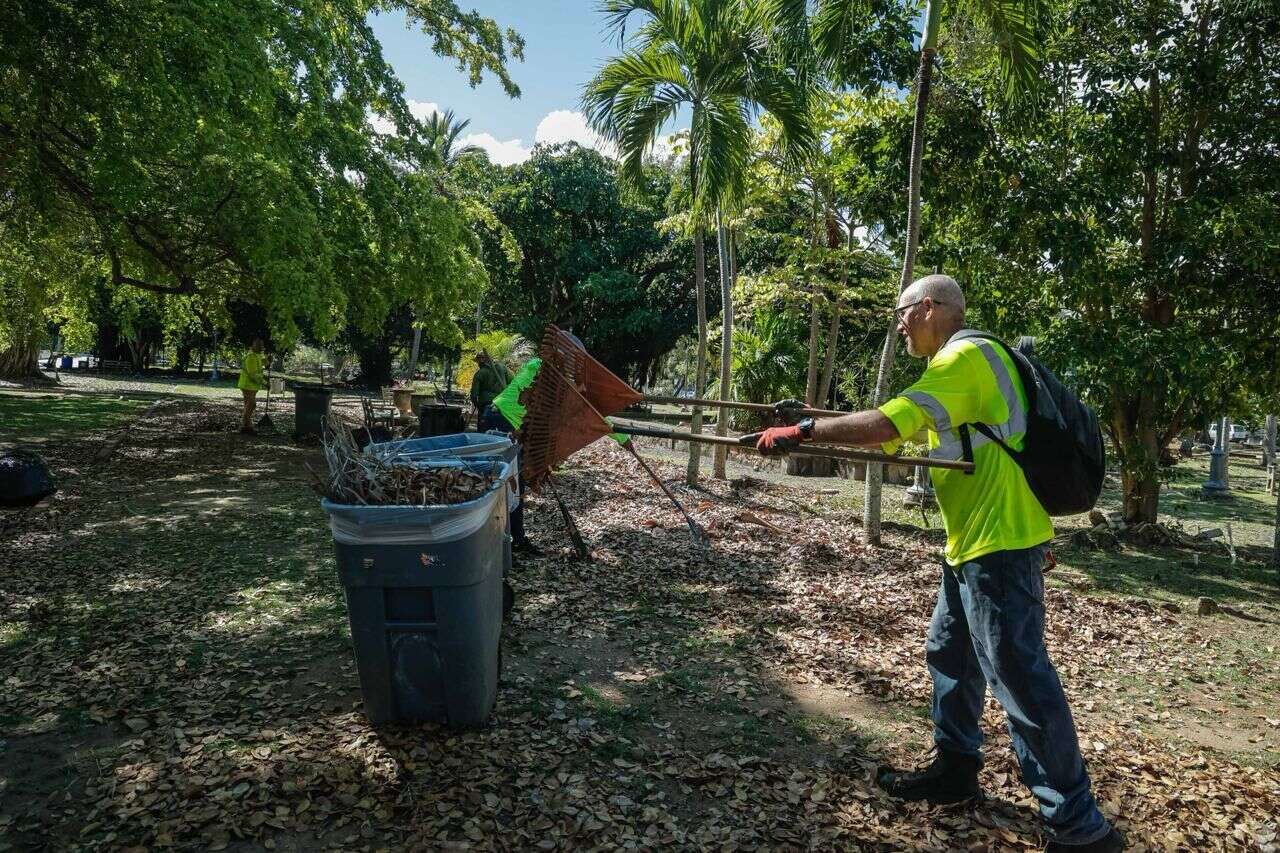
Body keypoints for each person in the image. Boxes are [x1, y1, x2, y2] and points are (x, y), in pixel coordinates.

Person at [744, 274, 1122, 853]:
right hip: (970, 545)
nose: (898, 324)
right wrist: (813, 420)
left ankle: (1079, 826)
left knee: (1020, 679)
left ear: (928, 307)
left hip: (999, 546)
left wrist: (803, 430)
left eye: (901, 312)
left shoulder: (966, 357)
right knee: (950, 653)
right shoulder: (952, 372)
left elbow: (889, 423)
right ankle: (955, 771)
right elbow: (894, 436)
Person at [479, 354, 542, 555]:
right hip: (503, 423)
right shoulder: (540, 371)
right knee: (508, 484)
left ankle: (510, 537)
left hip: (495, 416)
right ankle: (508, 539)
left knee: (506, 482)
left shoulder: (533, 368)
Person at [469, 349, 513, 421]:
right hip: (501, 402)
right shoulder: (503, 368)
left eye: (478, 362)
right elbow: (512, 382)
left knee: (484, 427)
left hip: (486, 404)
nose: (478, 364)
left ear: (480, 362)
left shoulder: (479, 374)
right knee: (500, 426)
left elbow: (474, 396)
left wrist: (479, 408)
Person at [237, 338, 266, 435]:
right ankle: (245, 425)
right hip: (247, 384)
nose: (261, 347)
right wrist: (265, 382)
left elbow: (261, 364)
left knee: (248, 405)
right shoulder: (251, 357)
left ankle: (246, 426)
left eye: (261, 345)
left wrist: (267, 361)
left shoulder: (257, 355)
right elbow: (253, 374)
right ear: (253, 345)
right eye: (258, 345)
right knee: (252, 404)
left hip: (252, 385)